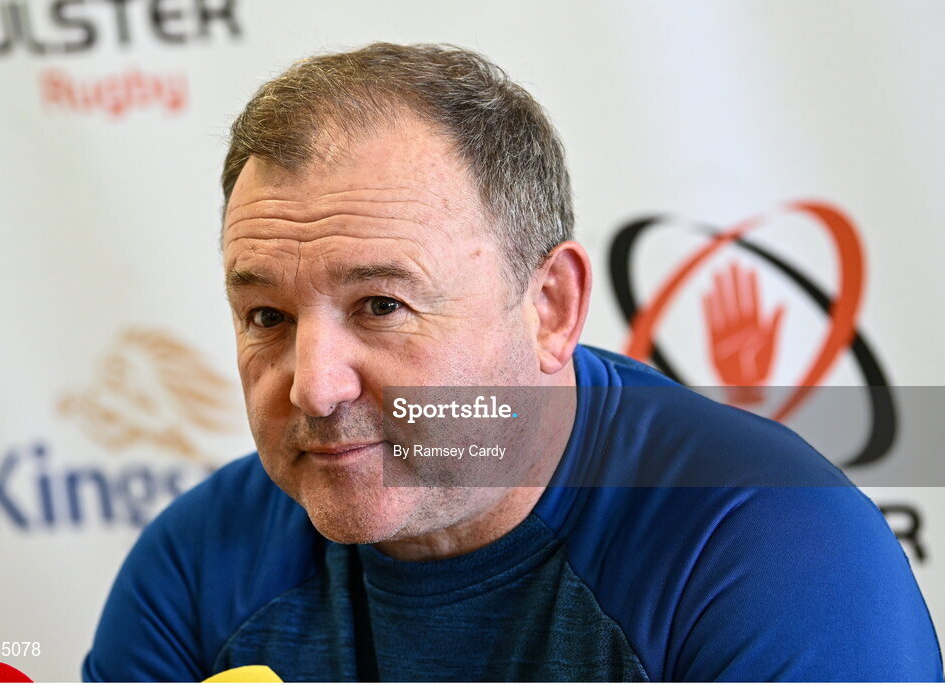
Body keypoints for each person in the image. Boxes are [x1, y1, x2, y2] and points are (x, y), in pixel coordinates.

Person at [82, 43, 942, 681]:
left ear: (551, 308)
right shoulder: (198, 566)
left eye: (381, 306)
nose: (313, 383)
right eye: (266, 315)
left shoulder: (770, 545)